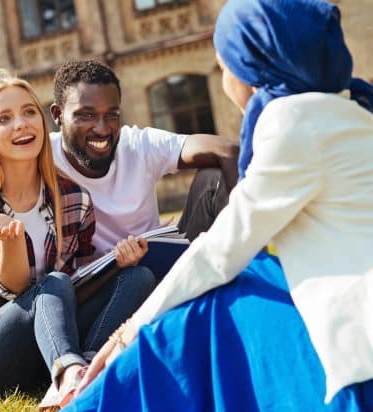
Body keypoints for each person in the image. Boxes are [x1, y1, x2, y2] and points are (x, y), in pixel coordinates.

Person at [0, 0, 373, 412]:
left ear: (251, 63)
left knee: (209, 300)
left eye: (224, 60)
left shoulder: (295, 122)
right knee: (259, 276)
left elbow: (217, 255)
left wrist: (126, 333)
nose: (223, 73)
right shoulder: (346, 116)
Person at [0, 70, 156, 410]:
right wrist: (12, 244)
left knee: (137, 277)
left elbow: (79, 284)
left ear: (42, 120)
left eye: (28, 112)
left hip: (45, 345)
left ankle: (88, 368)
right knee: (50, 284)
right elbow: (10, 291)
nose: (21, 124)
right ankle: (69, 371)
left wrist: (115, 265)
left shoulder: (73, 197)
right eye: (4, 118)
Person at [48, 60, 239, 271]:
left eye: (111, 115)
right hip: (100, 286)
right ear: (58, 115)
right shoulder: (42, 157)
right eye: (86, 115)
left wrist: (250, 227)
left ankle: (246, 276)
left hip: (158, 264)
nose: (102, 129)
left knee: (214, 177)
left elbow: (228, 150)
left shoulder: (138, 144)